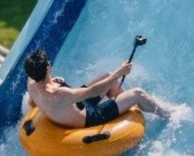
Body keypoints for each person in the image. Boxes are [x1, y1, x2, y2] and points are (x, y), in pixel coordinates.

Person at [24, 49, 168, 129]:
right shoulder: (60, 93)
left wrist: (53, 81)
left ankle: (126, 108)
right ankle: (168, 115)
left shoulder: (31, 83)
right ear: (48, 67)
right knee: (138, 93)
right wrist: (120, 72)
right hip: (90, 118)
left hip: (74, 109)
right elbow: (92, 91)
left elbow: (33, 102)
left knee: (106, 76)